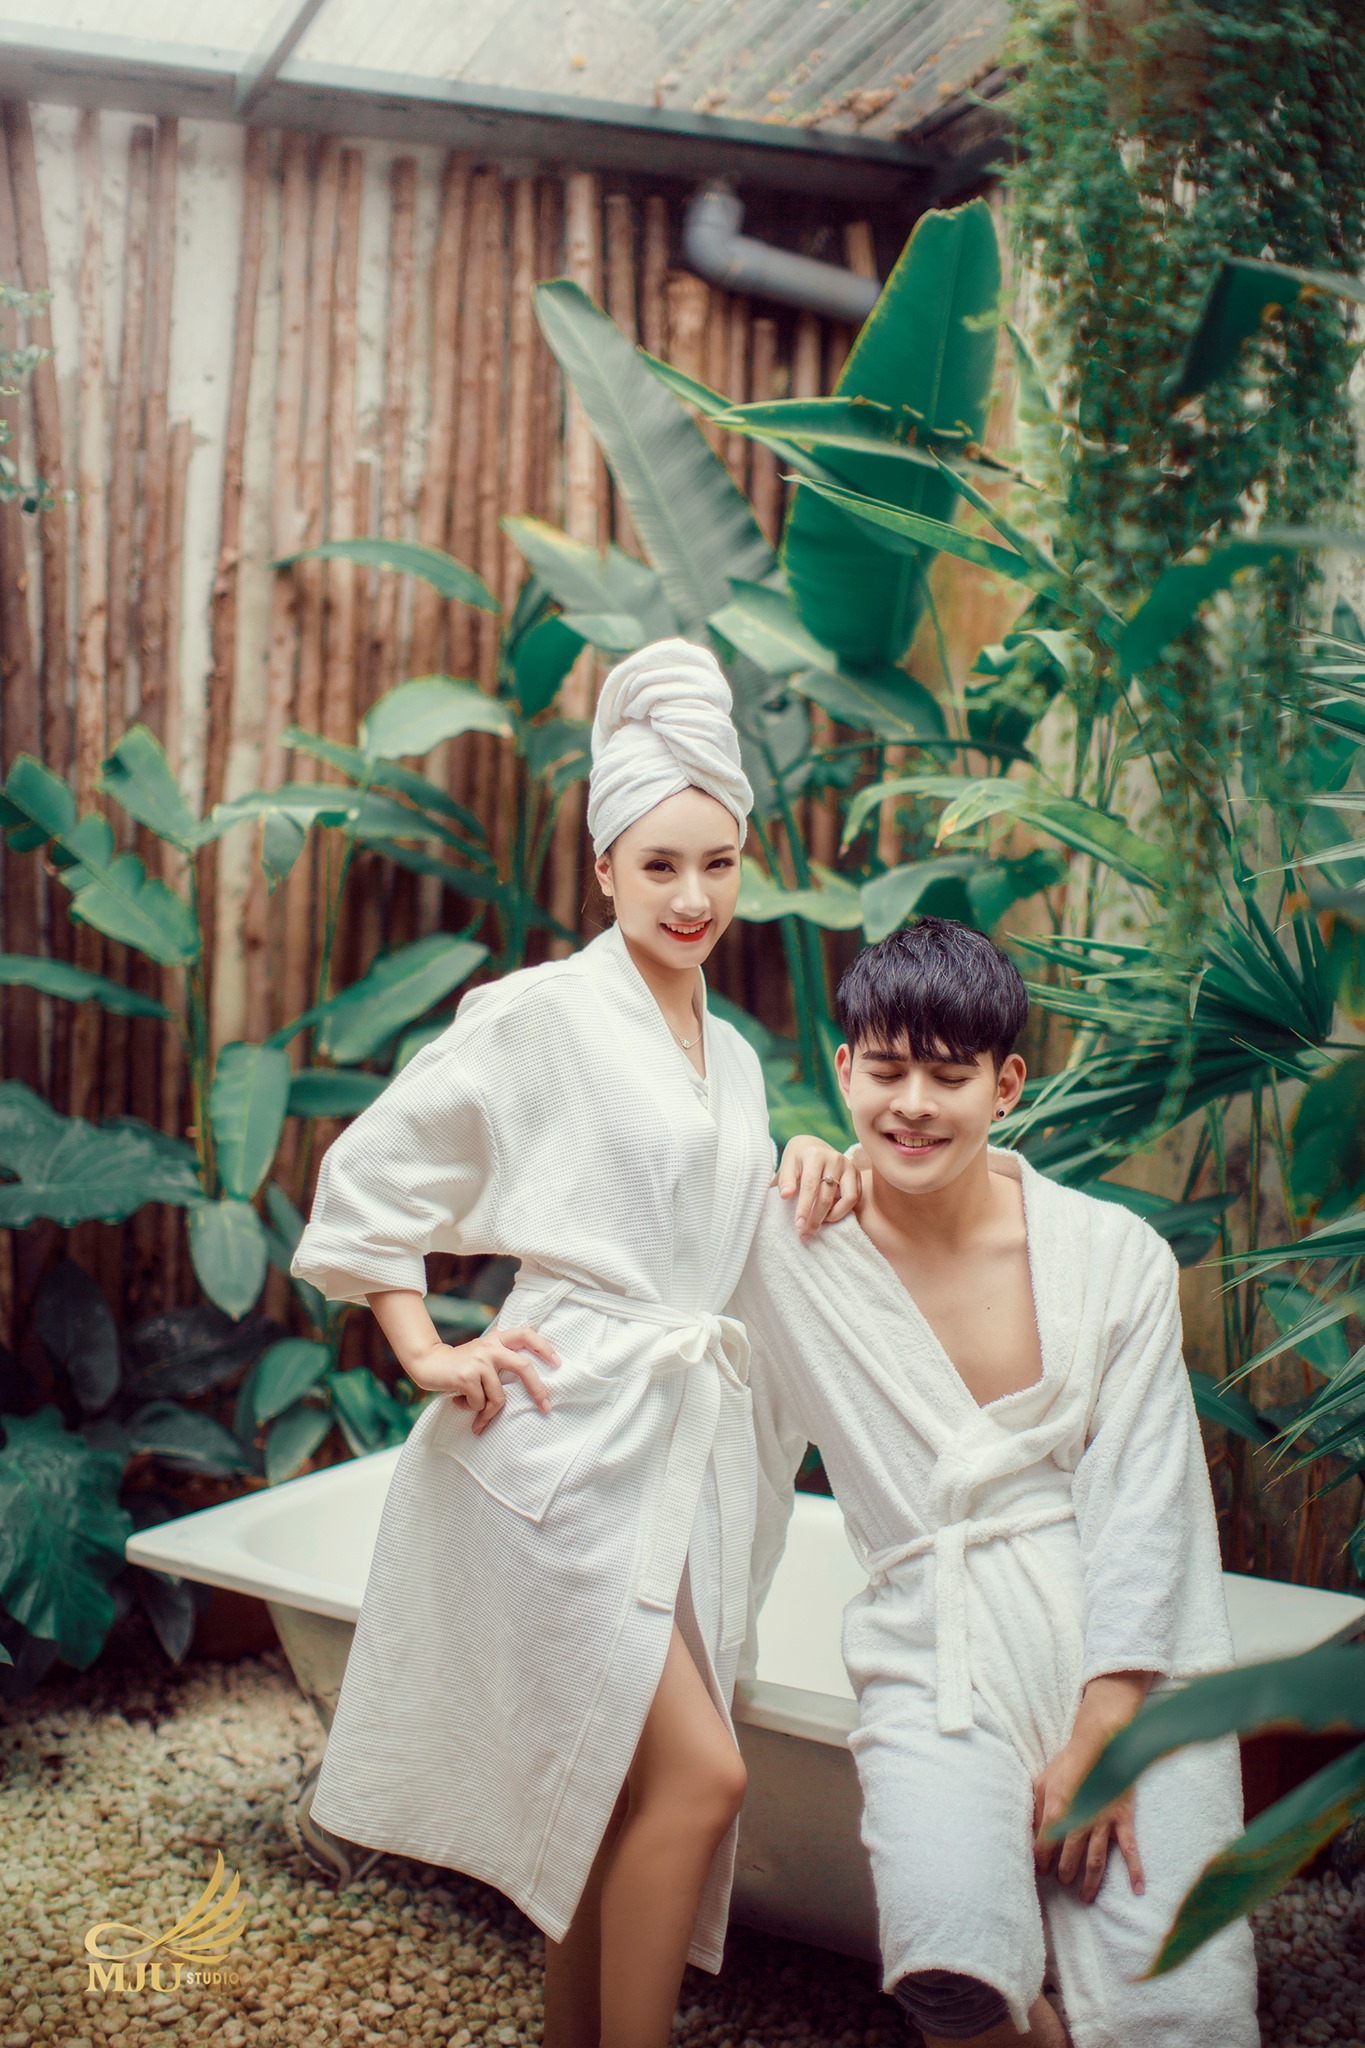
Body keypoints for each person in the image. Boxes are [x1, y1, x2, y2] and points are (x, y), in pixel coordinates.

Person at [288, 637, 860, 2048]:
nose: (692, 895)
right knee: (705, 1776)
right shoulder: (543, 1015)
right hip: (558, 1437)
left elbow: (724, 1241)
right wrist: (422, 1347)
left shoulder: (733, 1055)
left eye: (718, 862)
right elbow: (373, 1174)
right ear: (603, 867)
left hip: (670, 1448)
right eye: (659, 864)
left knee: (612, 1791)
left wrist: (806, 1161)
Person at [726, 917, 1259, 2048]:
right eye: (886, 1070)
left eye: (949, 1075)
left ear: (1006, 1085)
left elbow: (1147, 1500)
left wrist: (1107, 1725)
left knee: (1177, 1998)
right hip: (936, 1640)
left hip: (1117, 1634)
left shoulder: (1108, 1254)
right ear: (844, 1069)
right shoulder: (794, 1246)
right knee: (950, 1969)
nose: (912, 1104)